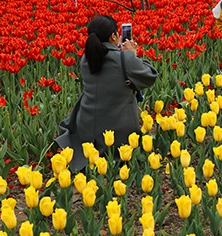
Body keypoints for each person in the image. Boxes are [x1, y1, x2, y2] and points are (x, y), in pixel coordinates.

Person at [56, 15, 158, 172]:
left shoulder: (87, 58)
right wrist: (132, 54)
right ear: (113, 36)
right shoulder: (123, 59)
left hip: (86, 129)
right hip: (116, 132)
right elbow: (150, 75)